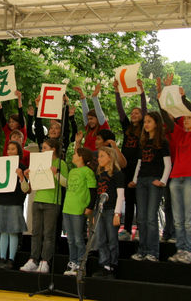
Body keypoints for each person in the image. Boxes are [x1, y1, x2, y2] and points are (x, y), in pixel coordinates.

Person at [160, 86, 191, 265]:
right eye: (185, 118)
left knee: (189, 218)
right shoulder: (180, 135)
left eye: (189, 118)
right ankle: (180, 250)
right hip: (176, 179)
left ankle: (189, 251)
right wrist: (161, 102)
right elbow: (167, 119)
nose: (186, 120)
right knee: (178, 220)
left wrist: (184, 99)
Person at [20, 139, 68, 274]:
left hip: (52, 202)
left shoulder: (60, 163)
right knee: (35, 232)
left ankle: (45, 261)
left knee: (48, 234)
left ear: (53, 149)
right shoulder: (39, 162)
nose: (42, 150)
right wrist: (28, 176)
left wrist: (56, 173)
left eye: (45, 148)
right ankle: (33, 259)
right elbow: (32, 185)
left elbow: (66, 183)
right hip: (38, 200)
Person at [129, 112, 171, 262]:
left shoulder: (162, 142)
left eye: (149, 121)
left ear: (156, 123)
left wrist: (163, 181)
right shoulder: (144, 142)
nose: (146, 124)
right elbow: (140, 163)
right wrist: (135, 180)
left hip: (154, 180)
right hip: (142, 180)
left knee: (151, 217)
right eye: (145, 122)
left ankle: (153, 251)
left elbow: (167, 164)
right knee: (141, 217)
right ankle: (142, 250)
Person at [113, 79, 146, 241]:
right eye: (132, 113)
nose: (134, 115)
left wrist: (142, 92)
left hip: (139, 166)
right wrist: (117, 92)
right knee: (129, 198)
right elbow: (120, 110)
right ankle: (126, 229)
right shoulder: (127, 127)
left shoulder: (144, 128)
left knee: (139, 199)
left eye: (137, 113)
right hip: (126, 166)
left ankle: (139, 228)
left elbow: (145, 109)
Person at [0, 141, 29, 270]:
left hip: (15, 202)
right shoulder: (0, 166)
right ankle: (2, 257)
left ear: (18, 152)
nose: (10, 151)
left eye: (13, 149)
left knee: (13, 231)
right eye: (9, 149)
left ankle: (11, 259)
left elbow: (26, 189)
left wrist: (21, 176)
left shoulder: (22, 167)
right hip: (2, 201)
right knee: (3, 231)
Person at [61, 148, 97, 276]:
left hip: (78, 209)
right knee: (70, 239)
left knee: (78, 238)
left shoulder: (88, 172)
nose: (73, 155)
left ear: (81, 157)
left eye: (75, 154)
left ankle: (81, 264)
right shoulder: (72, 171)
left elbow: (93, 190)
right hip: (67, 208)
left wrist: (90, 206)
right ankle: (72, 262)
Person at [93, 146, 125, 279]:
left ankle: (112, 265)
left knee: (112, 238)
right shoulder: (100, 174)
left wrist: (117, 213)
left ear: (110, 158)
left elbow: (120, 195)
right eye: (99, 156)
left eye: (102, 156)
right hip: (100, 210)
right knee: (100, 238)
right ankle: (104, 264)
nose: (99, 159)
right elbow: (98, 194)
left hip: (111, 210)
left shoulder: (117, 173)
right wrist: (95, 212)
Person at [73, 83, 110, 151]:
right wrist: (82, 96)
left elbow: (100, 113)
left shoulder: (103, 128)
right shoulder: (89, 129)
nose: (89, 121)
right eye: (88, 119)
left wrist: (94, 97)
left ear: (98, 119)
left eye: (91, 119)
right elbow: (85, 114)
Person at [0, 90, 27, 156]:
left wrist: (19, 99)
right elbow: (1, 116)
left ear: (18, 123)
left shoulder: (22, 131)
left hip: (18, 158)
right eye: (10, 122)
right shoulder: (7, 130)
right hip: (6, 158)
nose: (11, 124)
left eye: (13, 122)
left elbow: (21, 114)